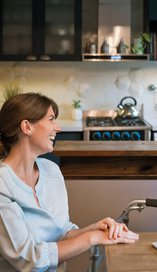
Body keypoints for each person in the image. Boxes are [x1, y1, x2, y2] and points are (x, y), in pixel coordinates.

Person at [0, 92, 139, 271]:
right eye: (51, 119)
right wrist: (92, 238)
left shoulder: (51, 171)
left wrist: (95, 229)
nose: (57, 128)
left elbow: (62, 232)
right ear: (27, 127)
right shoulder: (3, 184)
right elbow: (29, 259)